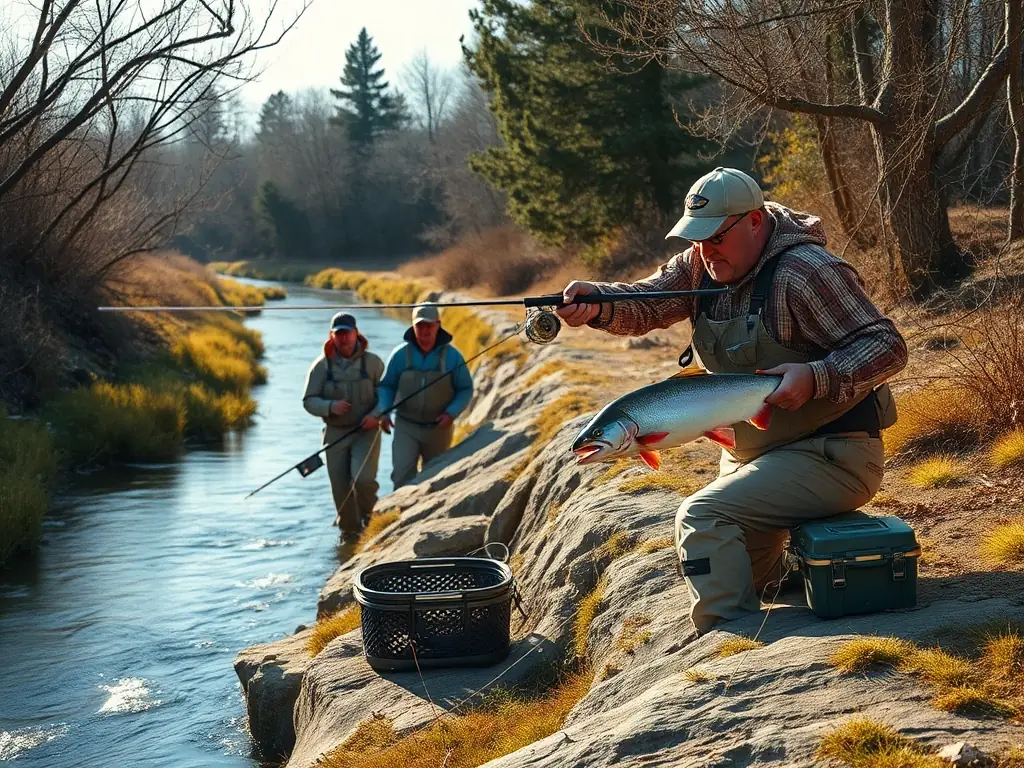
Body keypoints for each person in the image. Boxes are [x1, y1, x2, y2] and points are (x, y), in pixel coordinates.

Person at [556, 166, 908, 634]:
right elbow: (650, 300)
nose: (705, 250)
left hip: (834, 454)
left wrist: (818, 375)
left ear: (756, 221)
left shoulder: (807, 272)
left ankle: (726, 643)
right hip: (751, 458)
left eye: (716, 236)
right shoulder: (700, 263)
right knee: (747, 576)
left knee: (701, 517)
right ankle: (794, 574)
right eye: (696, 238)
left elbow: (888, 345)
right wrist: (598, 303)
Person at [302, 312, 385, 539]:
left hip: (366, 431)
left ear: (356, 333)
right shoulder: (321, 366)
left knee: (363, 479)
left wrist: (376, 416)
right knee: (341, 491)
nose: (344, 338)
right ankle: (349, 535)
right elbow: (308, 401)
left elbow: (387, 395)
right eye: (339, 334)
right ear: (332, 336)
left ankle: (373, 521)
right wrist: (330, 406)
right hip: (334, 434)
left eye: (347, 333)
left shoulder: (373, 363)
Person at [377, 303, 474, 488]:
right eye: (419, 326)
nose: (424, 331)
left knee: (436, 481)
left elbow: (465, 389)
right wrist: (384, 411)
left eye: (429, 325)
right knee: (401, 477)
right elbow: (386, 386)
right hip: (406, 426)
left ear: (438, 325)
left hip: (439, 428)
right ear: (412, 327)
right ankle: (403, 516)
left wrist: (451, 413)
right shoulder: (399, 355)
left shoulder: (453, 356)